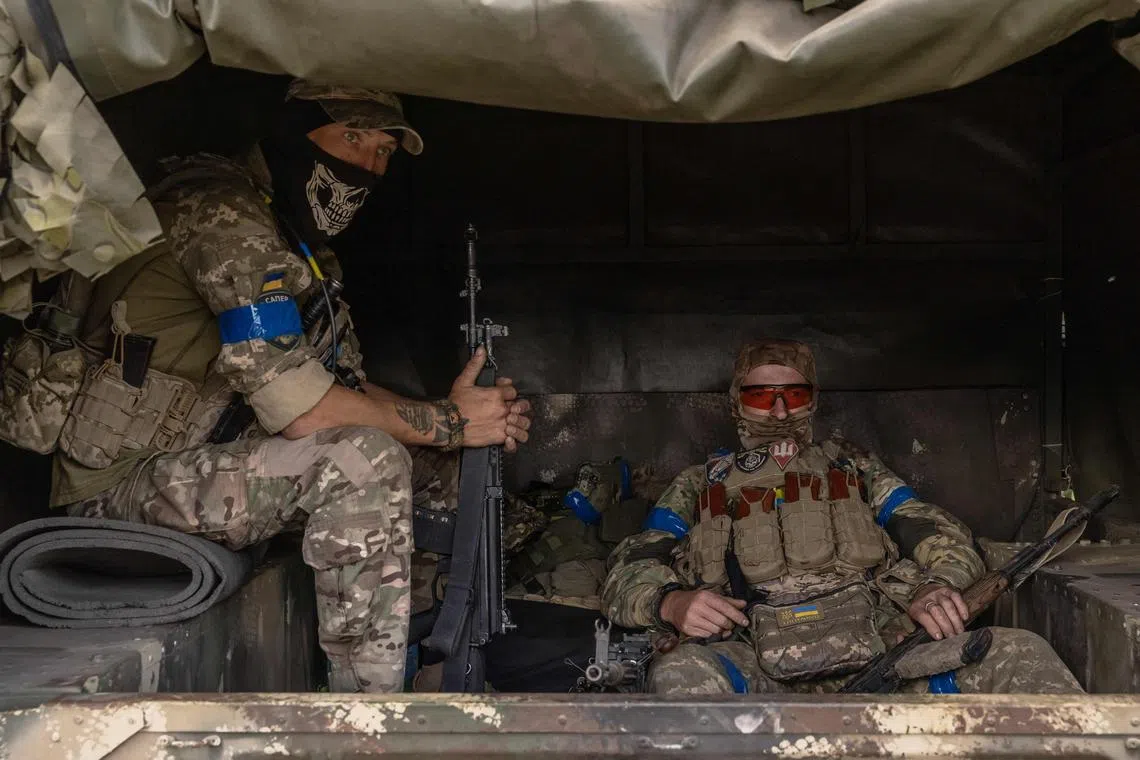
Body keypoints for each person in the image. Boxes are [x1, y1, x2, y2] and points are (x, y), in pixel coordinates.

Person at [51, 80, 532, 693]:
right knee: (362, 461)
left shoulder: (298, 247)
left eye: (382, 151)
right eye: (351, 137)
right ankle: (367, 712)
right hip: (124, 483)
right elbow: (305, 413)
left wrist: (457, 421)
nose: (366, 164)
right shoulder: (221, 214)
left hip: (206, 466)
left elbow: (342, 390)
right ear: (292, 134)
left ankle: (430, 660)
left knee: (439, 464)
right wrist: (453, 421)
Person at [601, 338, 1080, 695]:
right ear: (736, 401)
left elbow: (933, 529)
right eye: (762, 396)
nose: (781, 409)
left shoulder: (853, 468)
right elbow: (631, 567)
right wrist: (671, 602)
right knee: (679, 675)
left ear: (813, 399)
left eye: (793, 394)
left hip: (887, 646)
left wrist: (939, 586)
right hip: (747, 658)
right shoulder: (697, 483)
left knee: (1018, 654)